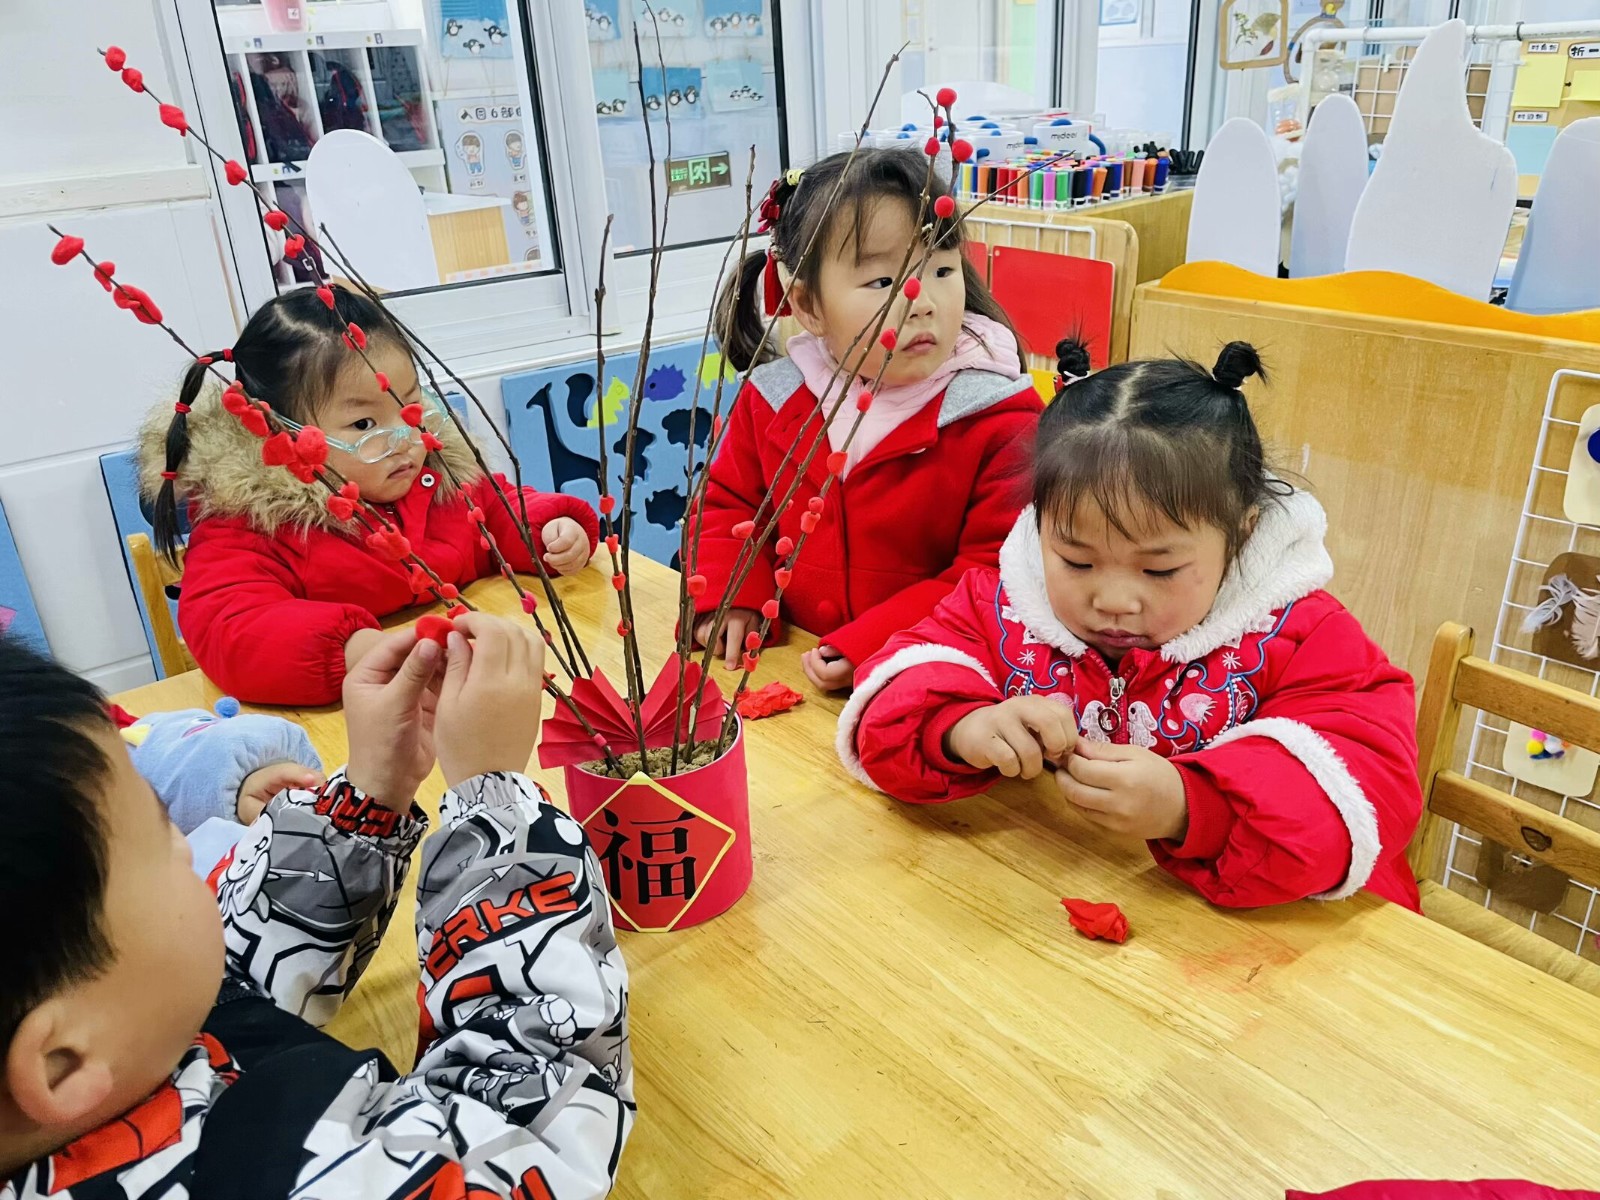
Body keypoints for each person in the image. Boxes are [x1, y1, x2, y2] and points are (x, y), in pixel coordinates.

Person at [0, 618, 632, 1198]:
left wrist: (369, 796)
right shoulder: (276, 1179)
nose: (188, 849)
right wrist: (497, 807)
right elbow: (535, 1137)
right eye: (162, 833)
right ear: (60, 1064)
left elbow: (229, 981)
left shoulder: (115, 1043)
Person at [837, 341, 1423, 910]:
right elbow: (895, 696)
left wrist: (1192, 807)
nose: (1114, 601)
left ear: (1241, 534)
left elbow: (1372, 787)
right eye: (1077, 561)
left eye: (1159, 569)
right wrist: (958, 728)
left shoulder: (1303, 635)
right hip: (1046, 896)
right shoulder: (1005, 603)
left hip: (1276, 940)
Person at [141, 284, 597, 706]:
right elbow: (231, 628)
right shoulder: (252, 522)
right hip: (357, 722)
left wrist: (548, 530)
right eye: (364, 424)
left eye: (410, 406)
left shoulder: (439, 475)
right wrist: (356, 649)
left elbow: (498, 508)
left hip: (464, 692)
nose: (405, 438)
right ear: (279, 430)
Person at [692, 148, 1042, 693]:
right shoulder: (775, 396)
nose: (923, 302)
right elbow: (728, 505)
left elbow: (995, 572)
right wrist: (732, 593)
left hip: (927, 682)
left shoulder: (1002, 419)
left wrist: (882, 645)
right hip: (784, 668)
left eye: (942, 269)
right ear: (808, 306)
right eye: (883, 283)